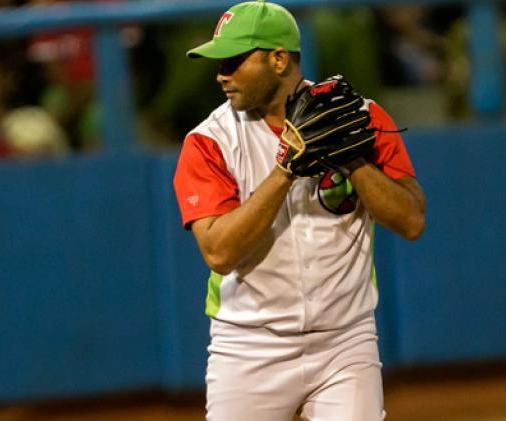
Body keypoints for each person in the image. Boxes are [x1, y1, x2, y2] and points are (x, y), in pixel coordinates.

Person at [172, 1, 426, 420]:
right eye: (219, 63)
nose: (221, 74)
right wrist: (285, 170)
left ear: (278, 59)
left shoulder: (360, 119)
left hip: (346, 340)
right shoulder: (208, 141)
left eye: (234, 61)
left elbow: (411, 220)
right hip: (249, 344)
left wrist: (353, 161)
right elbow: (219, 252)